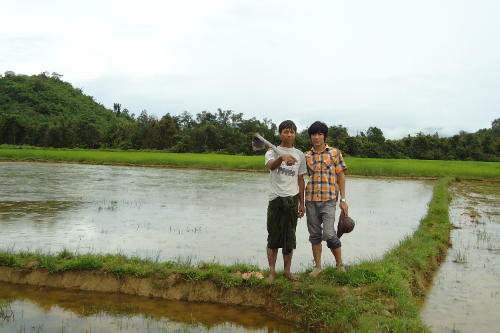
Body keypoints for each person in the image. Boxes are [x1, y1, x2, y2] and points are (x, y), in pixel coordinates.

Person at [265, 120, 307, 282]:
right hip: (276, 198)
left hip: (292, 199)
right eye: (286, 131)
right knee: (273, 236)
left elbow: (301, 179)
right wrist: (281, 157)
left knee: (290, 237)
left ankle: (287, 271)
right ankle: (272, 271)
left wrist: (301, 203)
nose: (289, 135)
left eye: (292, 132)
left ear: (295, 134)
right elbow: (271, 166)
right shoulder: (272, 152)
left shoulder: (299, 154)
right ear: (280, 133)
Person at [304, 121, 348, 276]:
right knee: (314, 235)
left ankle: (340, 264)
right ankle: (318, 267)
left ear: (324, 136)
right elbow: (294, 168)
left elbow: (340, 176)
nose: (317, 137)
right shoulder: (307, 156)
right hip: (310, 200)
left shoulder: (335, 153)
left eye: (320, 134)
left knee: (329, 234)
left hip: (329, 199)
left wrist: (343, 199)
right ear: (310, 136)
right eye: (314, 134)